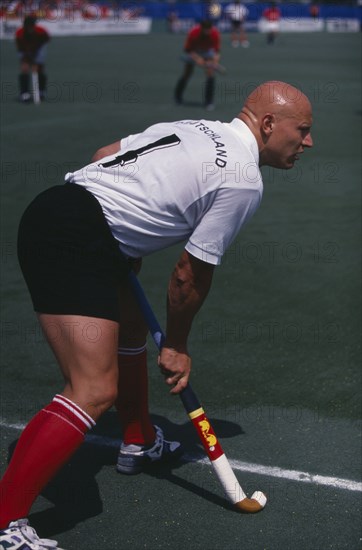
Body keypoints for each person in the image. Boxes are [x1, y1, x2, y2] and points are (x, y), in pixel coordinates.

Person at [0, 80, 313, 549]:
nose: (308, 142)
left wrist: (121, 228)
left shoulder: (197, 127)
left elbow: (104, 152)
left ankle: (139, 440)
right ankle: (6, 521)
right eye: (303, 130)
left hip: (64, 213)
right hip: (73, 239)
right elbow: (189, 275)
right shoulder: (243, 178)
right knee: (92, 389)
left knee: (129, 327)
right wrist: (177, 347)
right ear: (269, 124)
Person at [174, 19, 221, 110]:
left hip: (207, 52)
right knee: (187, 73)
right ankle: (177, 97)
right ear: (201, 28)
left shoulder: (215, 33)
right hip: (194, 51)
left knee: (210, 74)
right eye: (205, 30)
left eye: (209, 29)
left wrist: (214, 62)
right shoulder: (193, 33)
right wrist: (198, 59)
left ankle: (209, 101)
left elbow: (217, 52)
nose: (207, 32)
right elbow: (188, 50)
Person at [15, 14, 50, 103]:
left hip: (39, 48)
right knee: (25, 68)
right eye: (28, 26)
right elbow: (20, 47)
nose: (30, 28)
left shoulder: (41, 31)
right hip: (24, 51)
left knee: (38, 68)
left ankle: (41, 91)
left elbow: (46, 40)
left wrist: (35, 57)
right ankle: (24, 93)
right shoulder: (19, 32)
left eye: (32, 26)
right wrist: (27, 57)